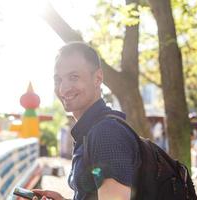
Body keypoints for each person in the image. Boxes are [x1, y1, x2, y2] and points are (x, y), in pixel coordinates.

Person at [33, 42, 140, 200]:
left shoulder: (106, 133)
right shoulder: (91, 132)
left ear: (98, 78)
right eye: (58, 80)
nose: (63, 88)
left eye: (73, 77)